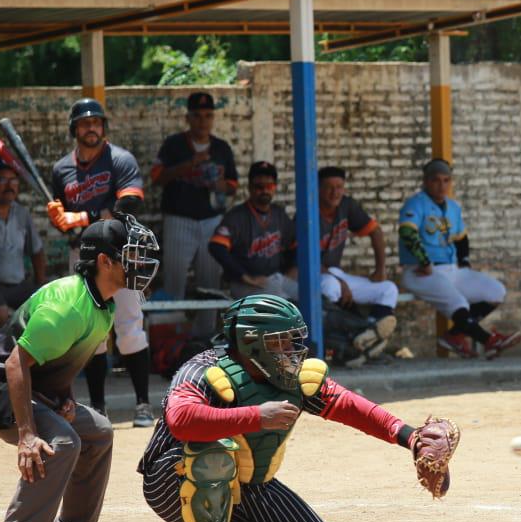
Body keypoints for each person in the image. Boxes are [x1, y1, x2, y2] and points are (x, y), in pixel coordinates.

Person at [137, 294, 456, 522]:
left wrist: (410, 437)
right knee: (215, 451)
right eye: (282, 341)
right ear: (251, 342)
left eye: (294, 339)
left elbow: (346, 405)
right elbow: (182, 421)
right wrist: (257, 417)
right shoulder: (203, 370)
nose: (292, 349)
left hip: (244, 480)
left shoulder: (288, 375)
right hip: (170, 478)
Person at [0, 217, 159, 522]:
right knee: (62, 442)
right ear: (104, 262)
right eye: (131, 256)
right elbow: (17, 364)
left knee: (98, 431)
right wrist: (27, 434)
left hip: (28, 384)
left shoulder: (104, 305)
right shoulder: (68, 305)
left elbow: (63, 359)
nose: (139, 265)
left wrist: (63, 396)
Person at [48, 98, 157, 427]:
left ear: (103, 127)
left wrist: (80, 215)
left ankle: (142, 404)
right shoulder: (61, 170)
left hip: (121, 252)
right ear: (74, 129)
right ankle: (97, 406)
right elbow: (64, 215)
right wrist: (58, 219)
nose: (91, 128)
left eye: (96, 122)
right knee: (90, 332)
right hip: (82, 254)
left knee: (129, 326)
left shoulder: (120, 159)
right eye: (84, 123)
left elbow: (128, 203)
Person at [398, 159, 520, 359]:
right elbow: (407, 233)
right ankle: (489, 340)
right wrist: (424, 262)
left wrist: (464, 262)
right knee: (459, 302)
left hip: (451, 269)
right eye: (436, 180)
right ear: (426, 181)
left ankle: (455, 336)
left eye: (446, 180)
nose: (442, 185)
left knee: (495, 291)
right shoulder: (416, 203)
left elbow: (461, 238)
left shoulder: (452, 207)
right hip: (420, 271)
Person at [152, 91, 238, 336]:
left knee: (210, 284)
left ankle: (205, 338)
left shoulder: (221, 148)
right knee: (174, 283)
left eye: (208, 116)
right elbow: (156, 177)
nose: (203, 121)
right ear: (188, 118)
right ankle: (170, 341)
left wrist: (219, 184)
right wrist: (189, 164)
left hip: (212, 220)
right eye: (197, 116)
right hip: (179, 218)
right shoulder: (174, 145)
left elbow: (233, 186)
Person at [317, 166, 398, 357]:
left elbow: (375, 231)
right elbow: (301, 261)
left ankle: (368, 336)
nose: (335, 192)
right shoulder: (309, 210)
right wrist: (340, 282)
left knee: (388, 289)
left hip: (336, 273)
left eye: (339, 187)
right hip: (315, 274)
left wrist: (380, 269)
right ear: (318, 189)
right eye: (329, 187)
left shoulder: (346, 205)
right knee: (330, 287)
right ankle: (344, 340)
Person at [208, 161, 297, 300]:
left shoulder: (279, 214)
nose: (265, 190)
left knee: (311, 297)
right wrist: (244, 276)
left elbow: (295, 244)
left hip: (276, 279)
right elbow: (216, 246)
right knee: (280, 304)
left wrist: (294, 268)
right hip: (245, 284)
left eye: (270, 186)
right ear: (249, 187)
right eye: (259, 186)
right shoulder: (237, 216)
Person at [0, 159, 46, 334]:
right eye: (3, 180)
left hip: (17, 285)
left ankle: (31, 360)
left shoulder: (21, 213)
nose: (10, 185)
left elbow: (37, 250)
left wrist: (41, 283)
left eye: (14, 180)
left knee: (45, 307)